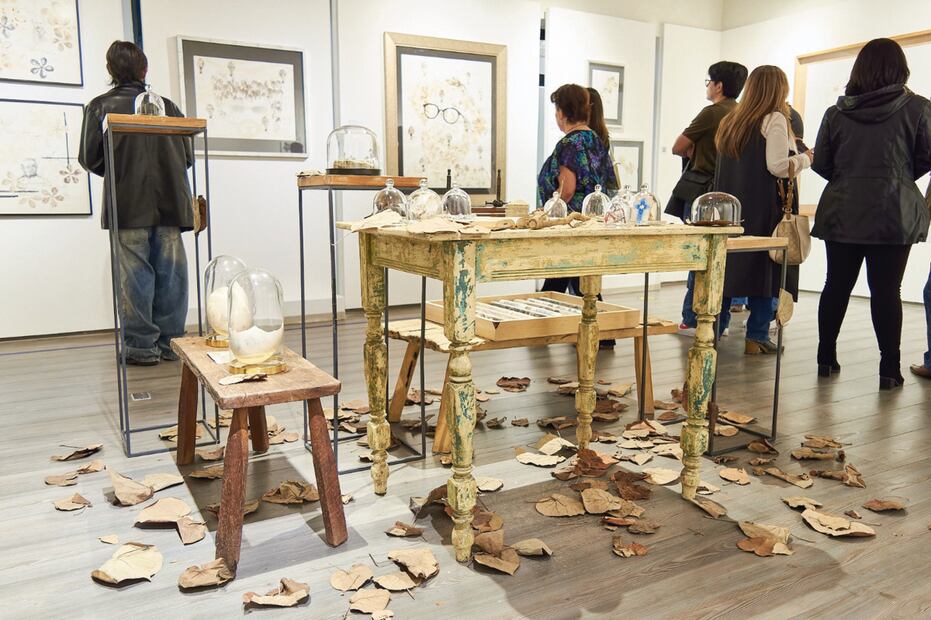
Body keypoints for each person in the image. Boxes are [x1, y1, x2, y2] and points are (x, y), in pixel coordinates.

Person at [812, 38, 931, 389]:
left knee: (835, 286)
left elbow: (821, 163)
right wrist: (900, 175)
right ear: (901, 68)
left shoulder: (836, 113)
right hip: (893, 211)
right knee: (886, 290)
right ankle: (889, 370)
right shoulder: (919, 108)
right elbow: (926, 156)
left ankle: (825, 357)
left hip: (842, 208)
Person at [79, 41, 194, 366]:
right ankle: (172, 345)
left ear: (110, 70)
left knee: (134, 278)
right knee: (172, 276)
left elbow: (89, 158)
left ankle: (141, 348)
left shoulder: (100, 106)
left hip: (127, 205)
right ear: (144, 69)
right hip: (171, 202)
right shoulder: (168, 106)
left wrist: (119, 173)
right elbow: (187, 156)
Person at [714, 65, 813, 354]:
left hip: (733, 209)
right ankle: (756, 336)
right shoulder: (775, 119)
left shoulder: (731, 121)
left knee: (729, 270)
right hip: (765, 206)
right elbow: (778, 166)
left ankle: (713, 331)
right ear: (778, 89)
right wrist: (806, 159)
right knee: (768, 270)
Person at [668, 61, 748, 334]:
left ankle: (693, 319)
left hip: (703, 194)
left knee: (698, 257)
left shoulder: (712, 113)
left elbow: (678, 147)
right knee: (721, 260)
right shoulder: (742, 113)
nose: (707, 86)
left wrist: (694, 150)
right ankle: (719, 321)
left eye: (708, 81)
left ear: (719, 85)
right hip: (731, 195)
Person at [537, 84, 617, 347]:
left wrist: (548, 212)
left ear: (561, 112)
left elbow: (567, 189)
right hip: (593, 218)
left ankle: (540, 325)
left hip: (571, 221)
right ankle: (600, 333)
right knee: (576, 277)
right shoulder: (595, 138)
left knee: (570, 275)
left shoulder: (569, 143)